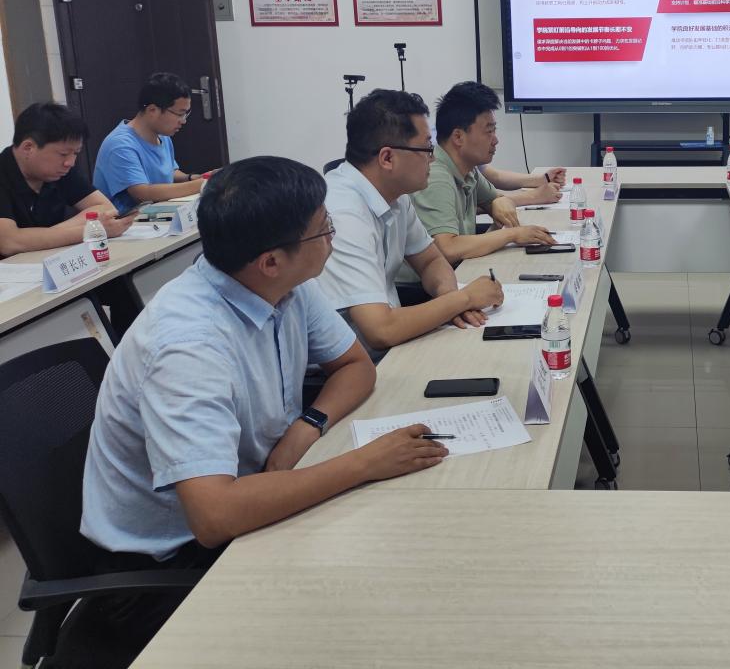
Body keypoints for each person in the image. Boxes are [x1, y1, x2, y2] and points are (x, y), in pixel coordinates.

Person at [62, 157, 448, 669]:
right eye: (324, 229)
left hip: (251, 495)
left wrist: (307, 427)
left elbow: (355, 366)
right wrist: (364, 463)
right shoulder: (188, 345)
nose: (333, 237)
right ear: (270, 260)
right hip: (168, 568)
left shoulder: (283, 284)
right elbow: (215, 517)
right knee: (371, 615)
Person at [318, 88, 502, 361]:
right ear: (387, 158)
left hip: (395, 346)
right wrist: (463, 299)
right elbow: (381, 330)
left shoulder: (395, 194)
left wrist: (450, 300)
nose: (433, 158)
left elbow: (430, 261)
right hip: (359, 363)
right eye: (426, 148)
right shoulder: (342, 214)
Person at [412, 81, 556, 263]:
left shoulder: (468, 169)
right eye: (489, 131)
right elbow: (447, 248)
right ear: (458, 137)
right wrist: (513, 234)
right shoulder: (436, 176)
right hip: (435, 279)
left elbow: (495, 199)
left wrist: (499, 202)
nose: (495, 140)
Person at [0, 102, 130, 256]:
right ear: (28, 148)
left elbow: (106, 208)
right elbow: (8, 243)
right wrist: (91, 231)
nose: (70, 162)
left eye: (75, 153)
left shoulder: (61, 169)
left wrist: (41, 237)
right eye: (63, 154)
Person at [92, 72, 215, 214]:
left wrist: (192, 178)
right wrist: (202, 184)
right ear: (152, 110)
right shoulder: (120, 145)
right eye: (180, 114)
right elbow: (142, 193)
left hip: (156, 215)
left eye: (186, 114)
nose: (184, 121)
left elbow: (169, 172)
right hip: (126, 222)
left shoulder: (162, 135)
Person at [481, 164, 567, 207]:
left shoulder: (475, 171)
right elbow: (481, 205)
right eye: (488, 134)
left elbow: (495, 177)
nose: (496, 141)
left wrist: (543, 179)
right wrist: (534, 196)